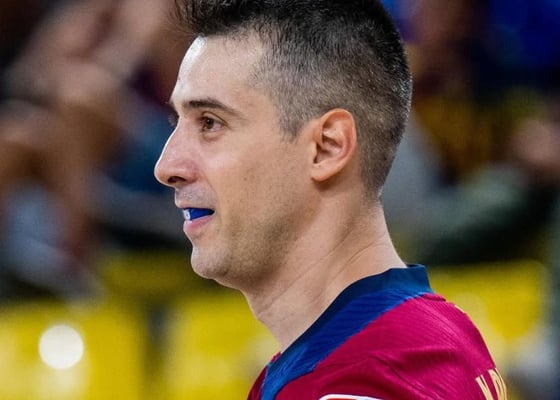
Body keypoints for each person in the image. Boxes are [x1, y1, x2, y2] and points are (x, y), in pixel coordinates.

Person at [154, 0, 506, 398]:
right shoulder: (436, 333)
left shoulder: (366, 380)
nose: (167, 166)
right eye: (177, 123)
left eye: (210, 123)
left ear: (327, 147)